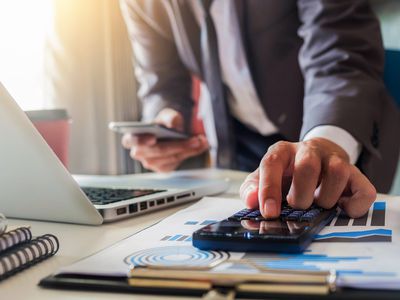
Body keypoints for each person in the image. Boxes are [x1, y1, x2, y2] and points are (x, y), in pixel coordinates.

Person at [119, 0, 400, 219]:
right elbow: (160, 82)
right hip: (242, 148)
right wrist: (162, 123)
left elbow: (340, 49)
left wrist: (326, 142)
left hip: (335, 138)